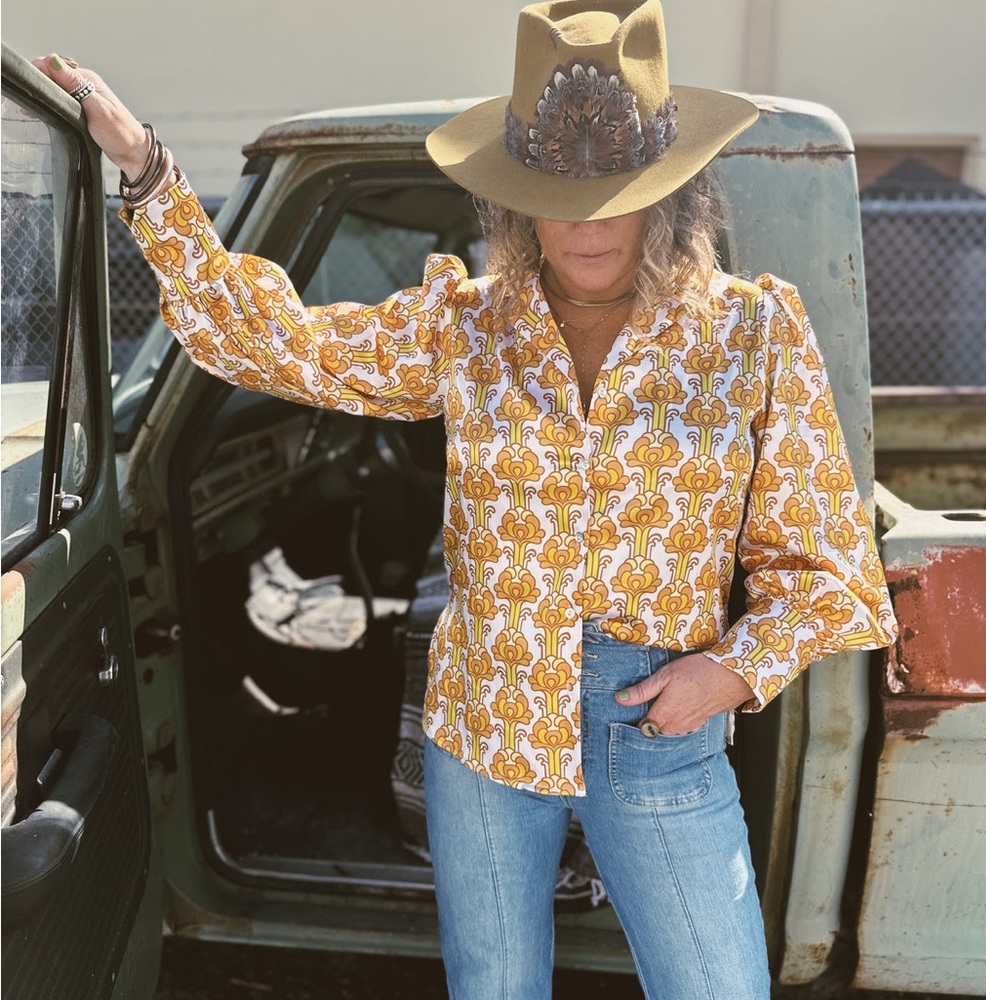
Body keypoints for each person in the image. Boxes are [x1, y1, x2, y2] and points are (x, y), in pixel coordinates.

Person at [36, 2, 898, 996]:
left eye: (617, 193)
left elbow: (828, 569)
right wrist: (146, 169)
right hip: (482, 722)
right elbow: (268, 342)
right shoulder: (466, 326)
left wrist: (730, 673)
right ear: (516, 202)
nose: (587, 224)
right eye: (556, 195)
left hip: (658, 724)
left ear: (669, 195)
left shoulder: (751, 333)